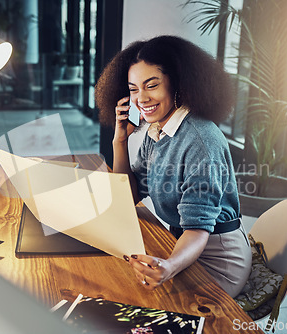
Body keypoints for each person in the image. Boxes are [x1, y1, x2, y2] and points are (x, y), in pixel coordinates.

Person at [94, 35, 251, 298]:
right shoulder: (158, 131)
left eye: (151, 85)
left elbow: (198, 229)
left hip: (217, 260)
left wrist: (169, 266)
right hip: (182, 244)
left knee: (134, 294)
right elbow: (128, 197)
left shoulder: (200, 141)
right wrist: (120, 141)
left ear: (177, 83)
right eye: (133, 89)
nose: (141, 99)